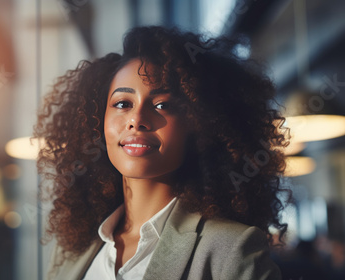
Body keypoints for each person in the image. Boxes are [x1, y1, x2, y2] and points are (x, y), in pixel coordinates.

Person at [35, 26, 289, 280]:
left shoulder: (231, 250)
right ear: (97, 123)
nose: (137, 119)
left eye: (162, 105)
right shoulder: (72, 250)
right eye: (123, 104)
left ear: (198, 125)